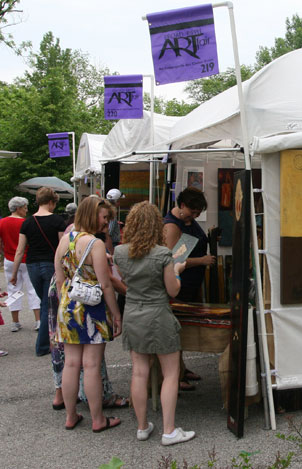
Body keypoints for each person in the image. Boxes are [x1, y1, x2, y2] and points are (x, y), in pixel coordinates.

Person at [114, 202, 193, 445]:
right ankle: (169, 430)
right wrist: (178, 270)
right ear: (155, 225)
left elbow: (123, 281)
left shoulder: (119, 252)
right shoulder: (162, 254)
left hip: (133, 313)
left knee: (139, 372)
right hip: (158, 314)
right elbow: (173, 290)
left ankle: (141, 426)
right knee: (170, 374)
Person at [53, 196, 122, 433]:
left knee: (71, 364)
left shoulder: (65, 240)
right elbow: (106, 285)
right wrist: (116, 315)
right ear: (93, 215)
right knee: (91, 365)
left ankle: (71, 416)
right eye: (105, 218)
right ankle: (98, 419)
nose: (107, 223)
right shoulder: (96, 244)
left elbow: (60, 279)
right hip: (91, 309)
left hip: (68, 306)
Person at [163, 187, 214, 390]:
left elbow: (191, 244)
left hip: (191, 282)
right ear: (182, 205)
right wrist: (201, 260)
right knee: (177, 329)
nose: (196, 216)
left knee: (182, 329)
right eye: (193, 212)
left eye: (198, 213)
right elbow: (173, 259)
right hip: (179, 284)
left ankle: (182, 368)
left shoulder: (187, 221)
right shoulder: (172, 226)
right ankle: (177, 373)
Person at [11, 187, 65, 356]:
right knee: (49, 304)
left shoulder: (27, 222)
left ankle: (50, 339)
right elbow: (62, 247)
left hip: (32, 265)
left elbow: (20, 250)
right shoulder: (58, 221)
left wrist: (14, 273)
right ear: (51, 202)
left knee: (44, 301)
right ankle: (43, 345)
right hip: (51, 264)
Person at [0, 197, 40, 332]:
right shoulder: (27, 223)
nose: (26, 210)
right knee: (32, 289)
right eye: (25, 207)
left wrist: (5, 252)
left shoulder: (2, 222)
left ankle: (15, 321)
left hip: (10, 259)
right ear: (18, 208)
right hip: (27, 258)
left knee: (13, 288)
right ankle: (38, 320)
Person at [104, 189, 123, 254]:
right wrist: (111, 251)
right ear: (116, 201)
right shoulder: (112, 214)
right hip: (111, 245)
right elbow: (108, 234)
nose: (120, 203)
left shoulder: (105, 210)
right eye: (119, 201)